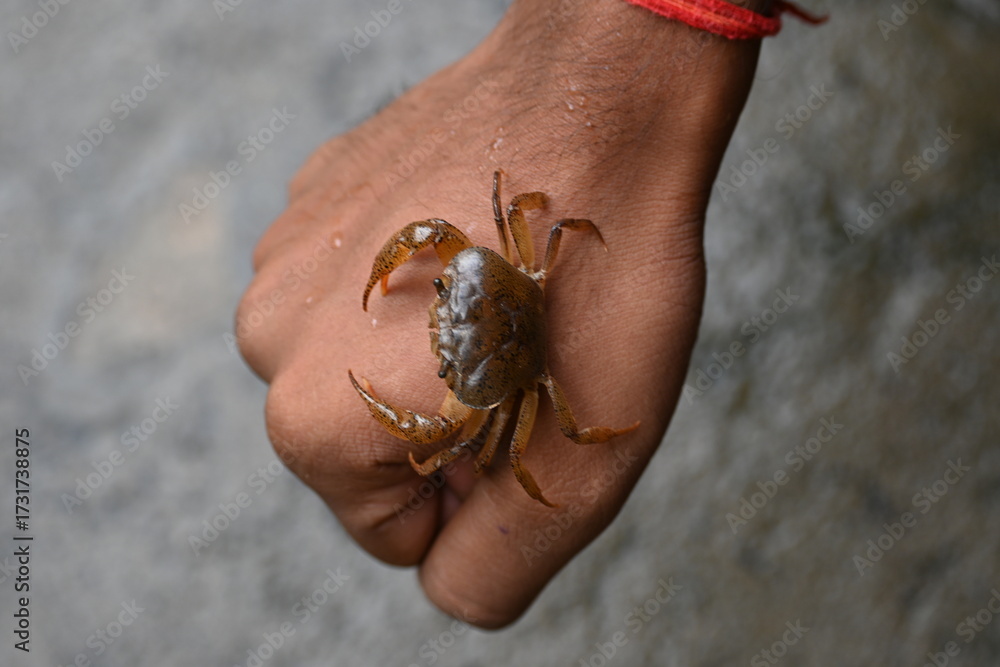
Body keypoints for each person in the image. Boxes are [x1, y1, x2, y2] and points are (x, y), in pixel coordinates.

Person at [238, 0, 786, 629]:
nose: (439, 326)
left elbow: (474, 441)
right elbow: (514, 210)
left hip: (519, 367)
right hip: (513, 315)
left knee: (448, 440)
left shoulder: (508, 386)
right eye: (445, 302)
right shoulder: (524, 256)